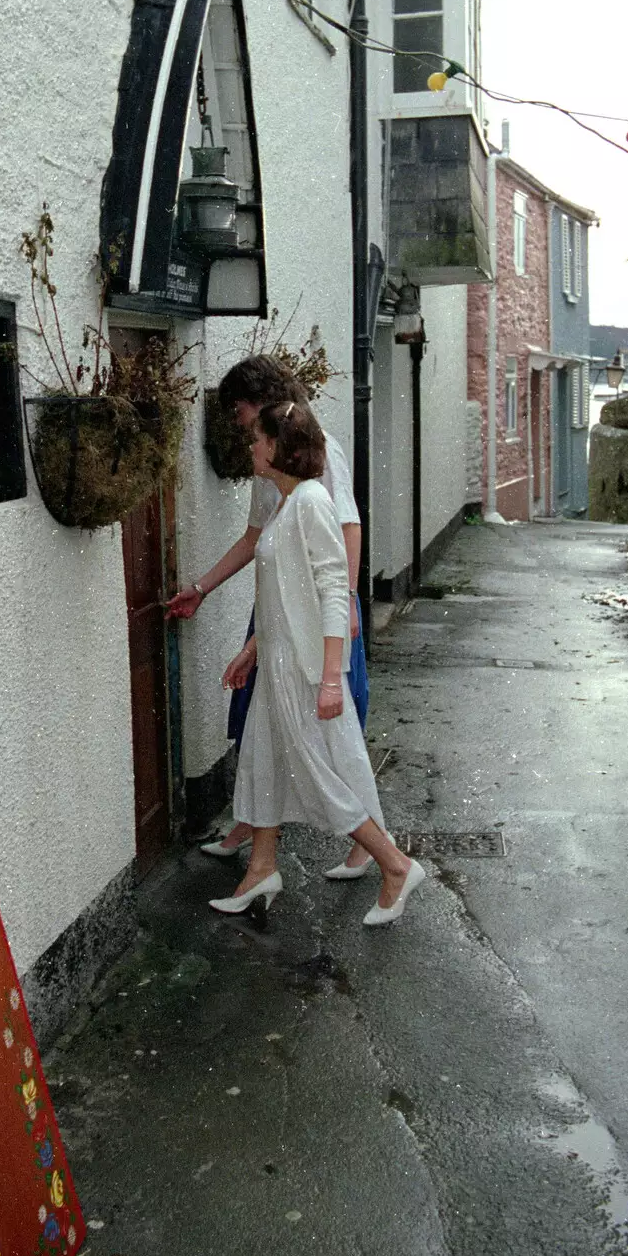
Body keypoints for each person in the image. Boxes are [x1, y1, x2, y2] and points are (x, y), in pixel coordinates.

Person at [206, 399, 424, 927]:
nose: (251, 446)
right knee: (263, 764)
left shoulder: (308, 503)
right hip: (278, 663)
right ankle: (260, 869)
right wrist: (252, 649)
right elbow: (281, 595)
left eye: (257, 438)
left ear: (278, 446)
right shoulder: (284, 505)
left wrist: (331, 679)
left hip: (305, 671)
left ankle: (396, 865)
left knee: (319, 776)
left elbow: (332, 590)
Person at [165, 356, 371, 879]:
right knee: (262, 725)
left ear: (259, 404)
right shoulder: (269, 465)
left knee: (332, 729)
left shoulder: (316, 455)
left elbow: (347, 526)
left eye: (238, 410)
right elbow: (257, 539)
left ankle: (373, 846)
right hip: (278, 607)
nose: (236, 425)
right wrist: (201, 589)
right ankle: (257, 839)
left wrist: (344, 601)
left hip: (319, 608)